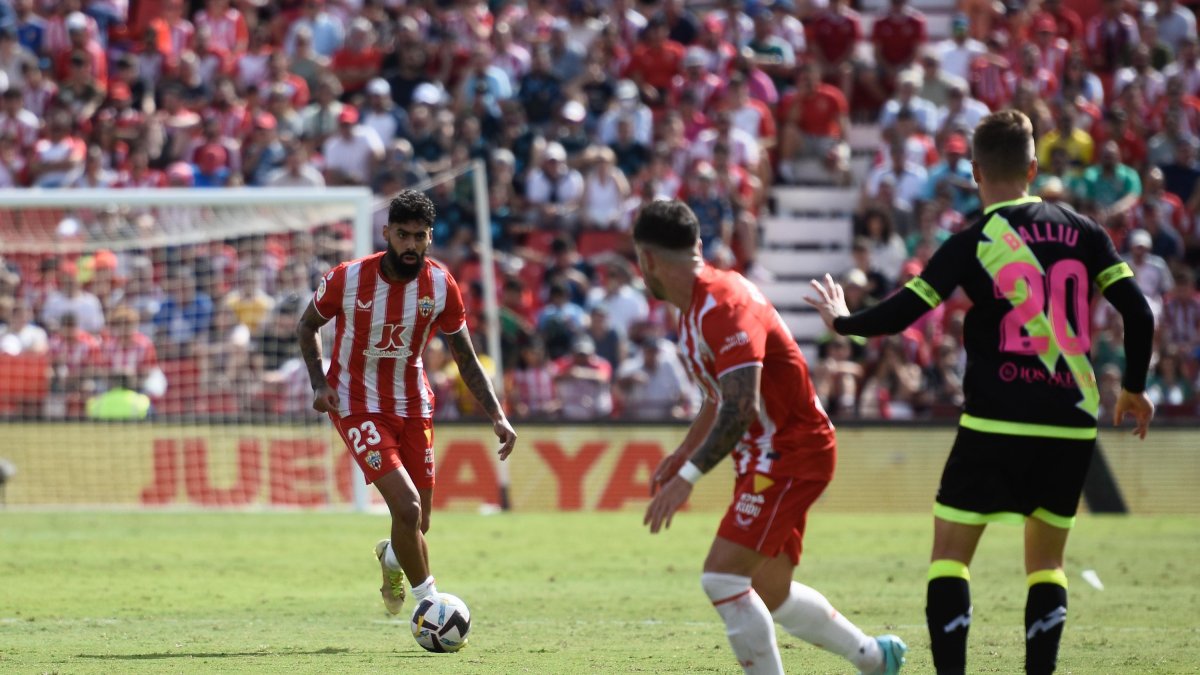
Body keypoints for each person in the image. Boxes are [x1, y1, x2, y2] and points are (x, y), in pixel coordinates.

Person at [804, 110, 1156, 675]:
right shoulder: (1085, 232)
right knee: (1046, 566)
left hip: (995, 421)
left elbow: (904, 313)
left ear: (974, 173)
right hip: (1070, 423)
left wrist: (844, 321)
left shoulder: (971, 242)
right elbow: (1138, 313)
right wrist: (1133, 388)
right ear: (1034, 168)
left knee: (949, 559)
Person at [636, 200, 907, 675]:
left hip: (790, 451)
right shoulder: (694, 310)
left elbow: (742, 405)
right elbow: (719, 399)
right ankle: (874, 657)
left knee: (721, 576)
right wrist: (683, 452)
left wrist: (690, 476)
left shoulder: (725, 305)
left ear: (648, 260)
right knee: (771, 592)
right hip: (768, 455)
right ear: (697, 247)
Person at [296, 190, 517, 617]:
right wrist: (319, 384)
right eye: (403, 235)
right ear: (386, 233)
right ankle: (430, 606)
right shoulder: (348, 277)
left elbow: (465, 356)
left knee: (418, 524)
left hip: (414, 405)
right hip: (356, 404)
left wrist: (497, 414)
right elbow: (308, 327)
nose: (411, 244)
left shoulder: (440, 284)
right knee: (407, 506)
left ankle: (391, 558)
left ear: (430, 236)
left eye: (419, 236)